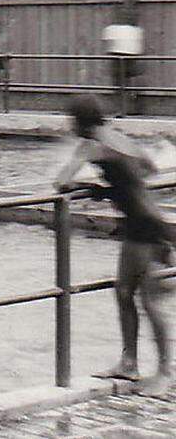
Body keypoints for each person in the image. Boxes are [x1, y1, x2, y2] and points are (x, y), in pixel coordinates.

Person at [55, 95, 175, 396]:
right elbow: (149, 168)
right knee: (123, 292)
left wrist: (94, 188)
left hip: (144, 227)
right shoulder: (118, 138)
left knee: (149, 301)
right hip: (145, 219)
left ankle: (164, 372)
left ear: (81, 122)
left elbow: (60, 182)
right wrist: (113, 188)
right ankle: (129, 362)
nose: (69, 127)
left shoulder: (92, 145)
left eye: (71, 121)